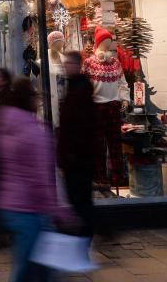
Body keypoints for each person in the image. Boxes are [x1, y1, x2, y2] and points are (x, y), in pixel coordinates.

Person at [0, 77, 56, 282]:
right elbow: (40, 179)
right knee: (30, 268)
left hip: (9, 204)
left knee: (31, 266)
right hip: (30, 208)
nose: (38, 101)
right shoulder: (34, 132)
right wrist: (57, 211)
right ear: (28, 99)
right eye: (35, 97)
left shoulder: (5, 125)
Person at [57, 50, 96, 238]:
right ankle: (89, 234)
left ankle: (88, 235)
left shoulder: (79, 90)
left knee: (79, 200)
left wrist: (70, 154)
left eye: (68, 64)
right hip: (78, 156)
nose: (65, 67)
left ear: (76, 65)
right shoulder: (74, 87)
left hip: (78, 157)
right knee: (80, 200)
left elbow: (80, 126)